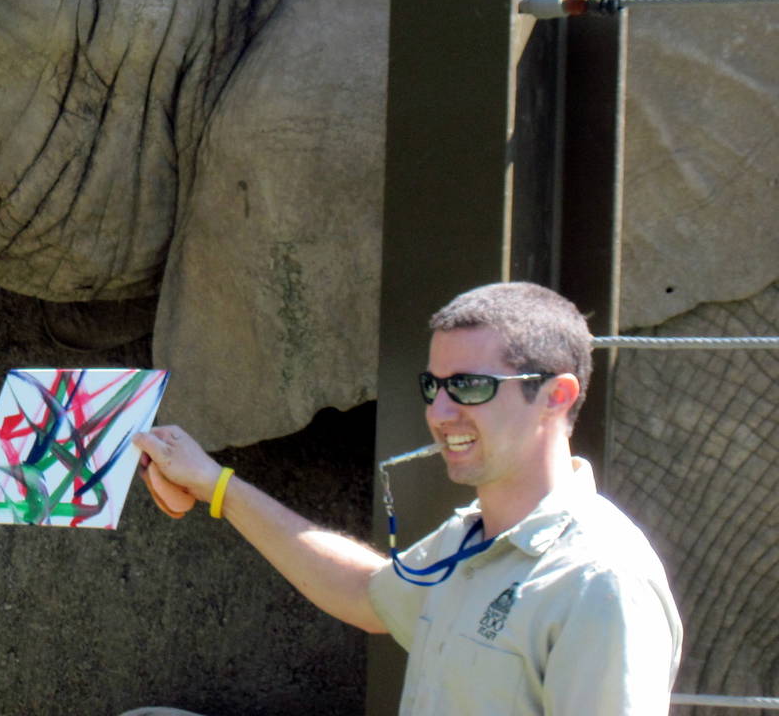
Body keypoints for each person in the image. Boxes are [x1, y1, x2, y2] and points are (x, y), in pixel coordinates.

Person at [127, 281, 682, 715]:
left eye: (469, 386)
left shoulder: (600, 582)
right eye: (432, 387)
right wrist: (215, 484)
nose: (439, 414)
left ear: (556, 396)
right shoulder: (470, 540)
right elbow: (365, 594)